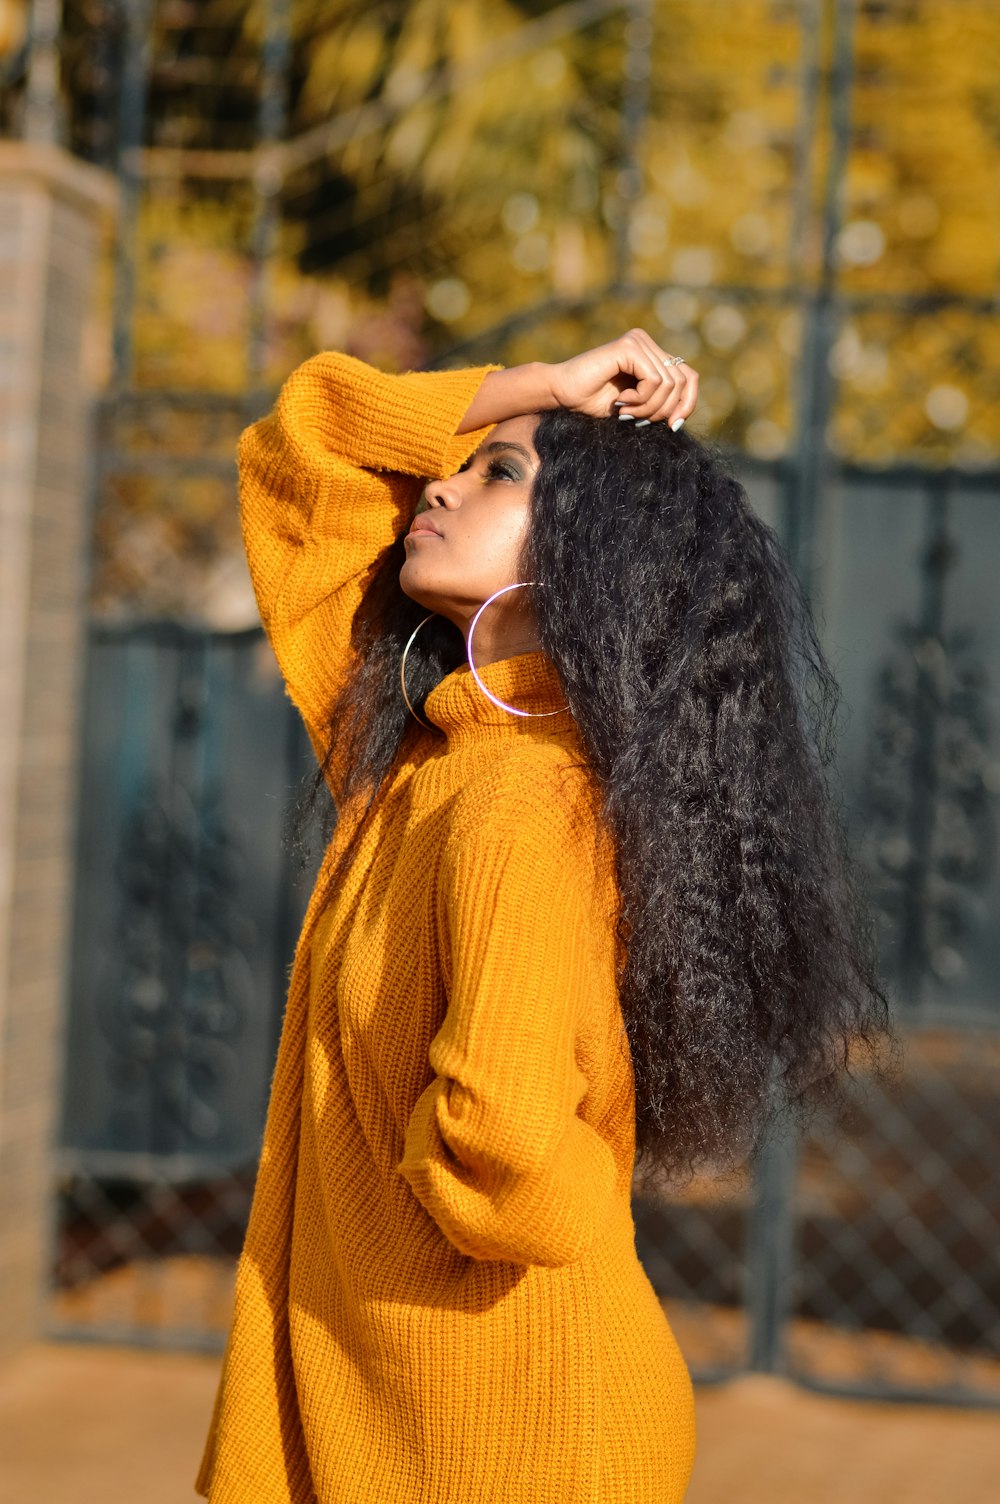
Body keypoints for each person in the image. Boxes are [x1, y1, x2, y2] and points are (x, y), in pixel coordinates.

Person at [196, 329, 892, 1504]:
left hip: (504, 1428)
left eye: (498, 472)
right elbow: (300, 447)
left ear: (587, 558)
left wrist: (398, 1187)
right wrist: (545, 388)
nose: (440, 481)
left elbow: (508, 1149)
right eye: (460, 464)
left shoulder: (518, 798)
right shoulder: (422, 751)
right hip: (422, 1411)